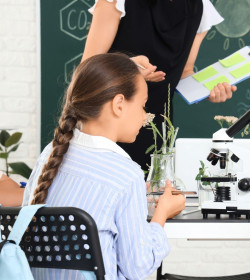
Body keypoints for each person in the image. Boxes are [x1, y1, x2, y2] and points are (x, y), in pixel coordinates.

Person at [22, 53, 186, 280]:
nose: (144, 115)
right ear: (119, 104)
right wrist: (162, 214)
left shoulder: (49, 154)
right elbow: (137, 268)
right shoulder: (126, 175)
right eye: (142, 105)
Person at [82, 0, 237, 171]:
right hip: (107, 125)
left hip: (156, 130)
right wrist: (128, 68)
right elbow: (88, 69)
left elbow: (184, 72)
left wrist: (208, 89)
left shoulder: (200, 6)